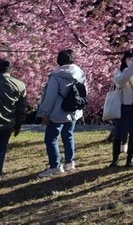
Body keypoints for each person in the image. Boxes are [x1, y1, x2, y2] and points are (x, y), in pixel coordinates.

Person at [36, 49, 86, 177]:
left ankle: (55, 166)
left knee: (51, 139)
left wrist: (44, 113)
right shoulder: (80, 73)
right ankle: (70, 163)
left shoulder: (56, 76)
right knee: (68, 136)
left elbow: (50, 96)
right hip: (74, 110)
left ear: (59, 60)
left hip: (57, 112)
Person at [110, 50, 133, 168]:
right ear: (124, 60)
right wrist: (132, 67)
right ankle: (115, 159)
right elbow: (120, 82)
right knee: (119, 132)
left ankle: (129, 159)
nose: (132, 61)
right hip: (123, 105)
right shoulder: (119, 72)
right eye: (129, 59)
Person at [0, 59, 27, 178]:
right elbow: (21, 108)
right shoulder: (19, 84)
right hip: (7, 123)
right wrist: (18, 125)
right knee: (1, 149)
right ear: (10, 70)